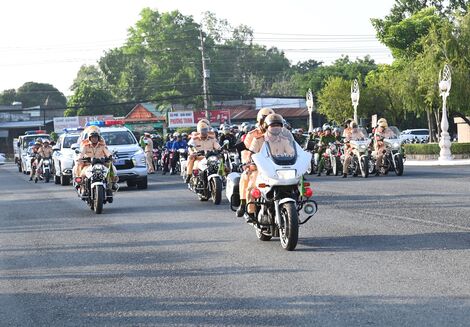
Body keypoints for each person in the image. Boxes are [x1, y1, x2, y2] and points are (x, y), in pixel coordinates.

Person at [236, 107, 275, 219]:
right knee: (249, 184)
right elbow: (246, 151)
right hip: (260, 168)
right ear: (261, 121)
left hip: (278, 167)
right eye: (266, 121)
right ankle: (248, 209)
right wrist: (247, 162)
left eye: (271, 120)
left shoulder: (280, 133)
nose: (268, 124)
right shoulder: (253, 135)